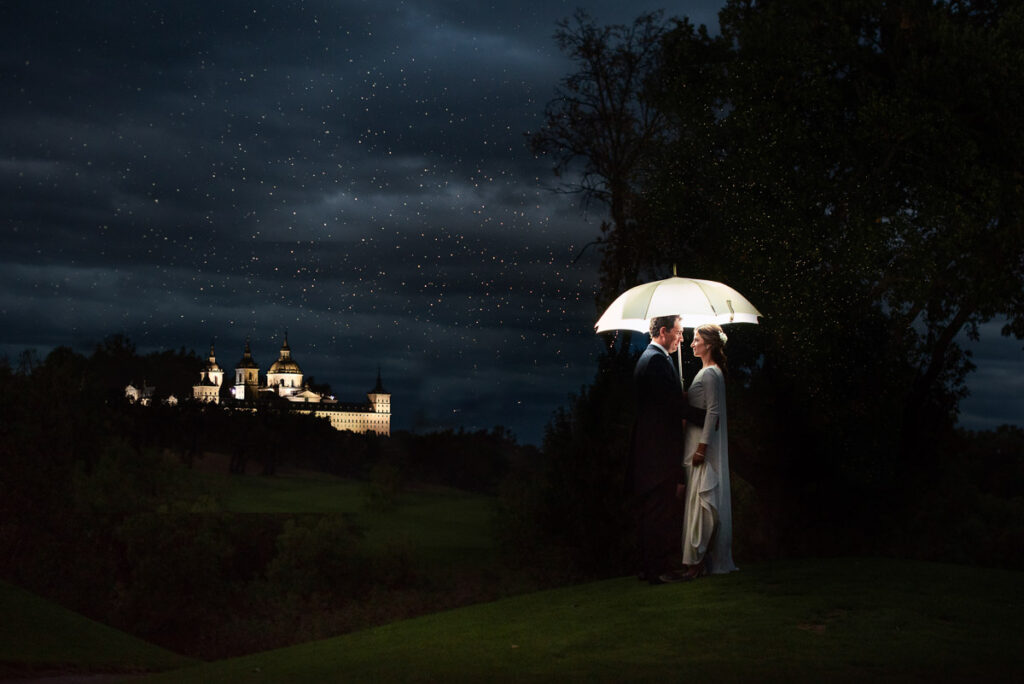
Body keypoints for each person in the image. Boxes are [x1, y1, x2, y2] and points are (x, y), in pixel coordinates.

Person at [630, 315, 706, 585]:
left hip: (651, 452)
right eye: (678, 332)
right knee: (658, 513)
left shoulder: (650, 359)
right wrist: (708, 418)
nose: (682, 338)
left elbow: (663, 402)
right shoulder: (657, 362)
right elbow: (670, 407)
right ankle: (657, 570)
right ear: (663, 331)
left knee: (653, 512)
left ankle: (648, 567)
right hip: (658, 453)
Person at [681, 323, 738, 577]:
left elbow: (713, 412)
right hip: (696, 442)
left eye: (696, 339)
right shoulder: (706, 373)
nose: (692, 343)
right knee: (698, 499)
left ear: (709, 344)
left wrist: (702, 448)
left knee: (704, 500)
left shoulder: (711, 374)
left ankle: (698, 559)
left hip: (702, 447)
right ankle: (698, 558)